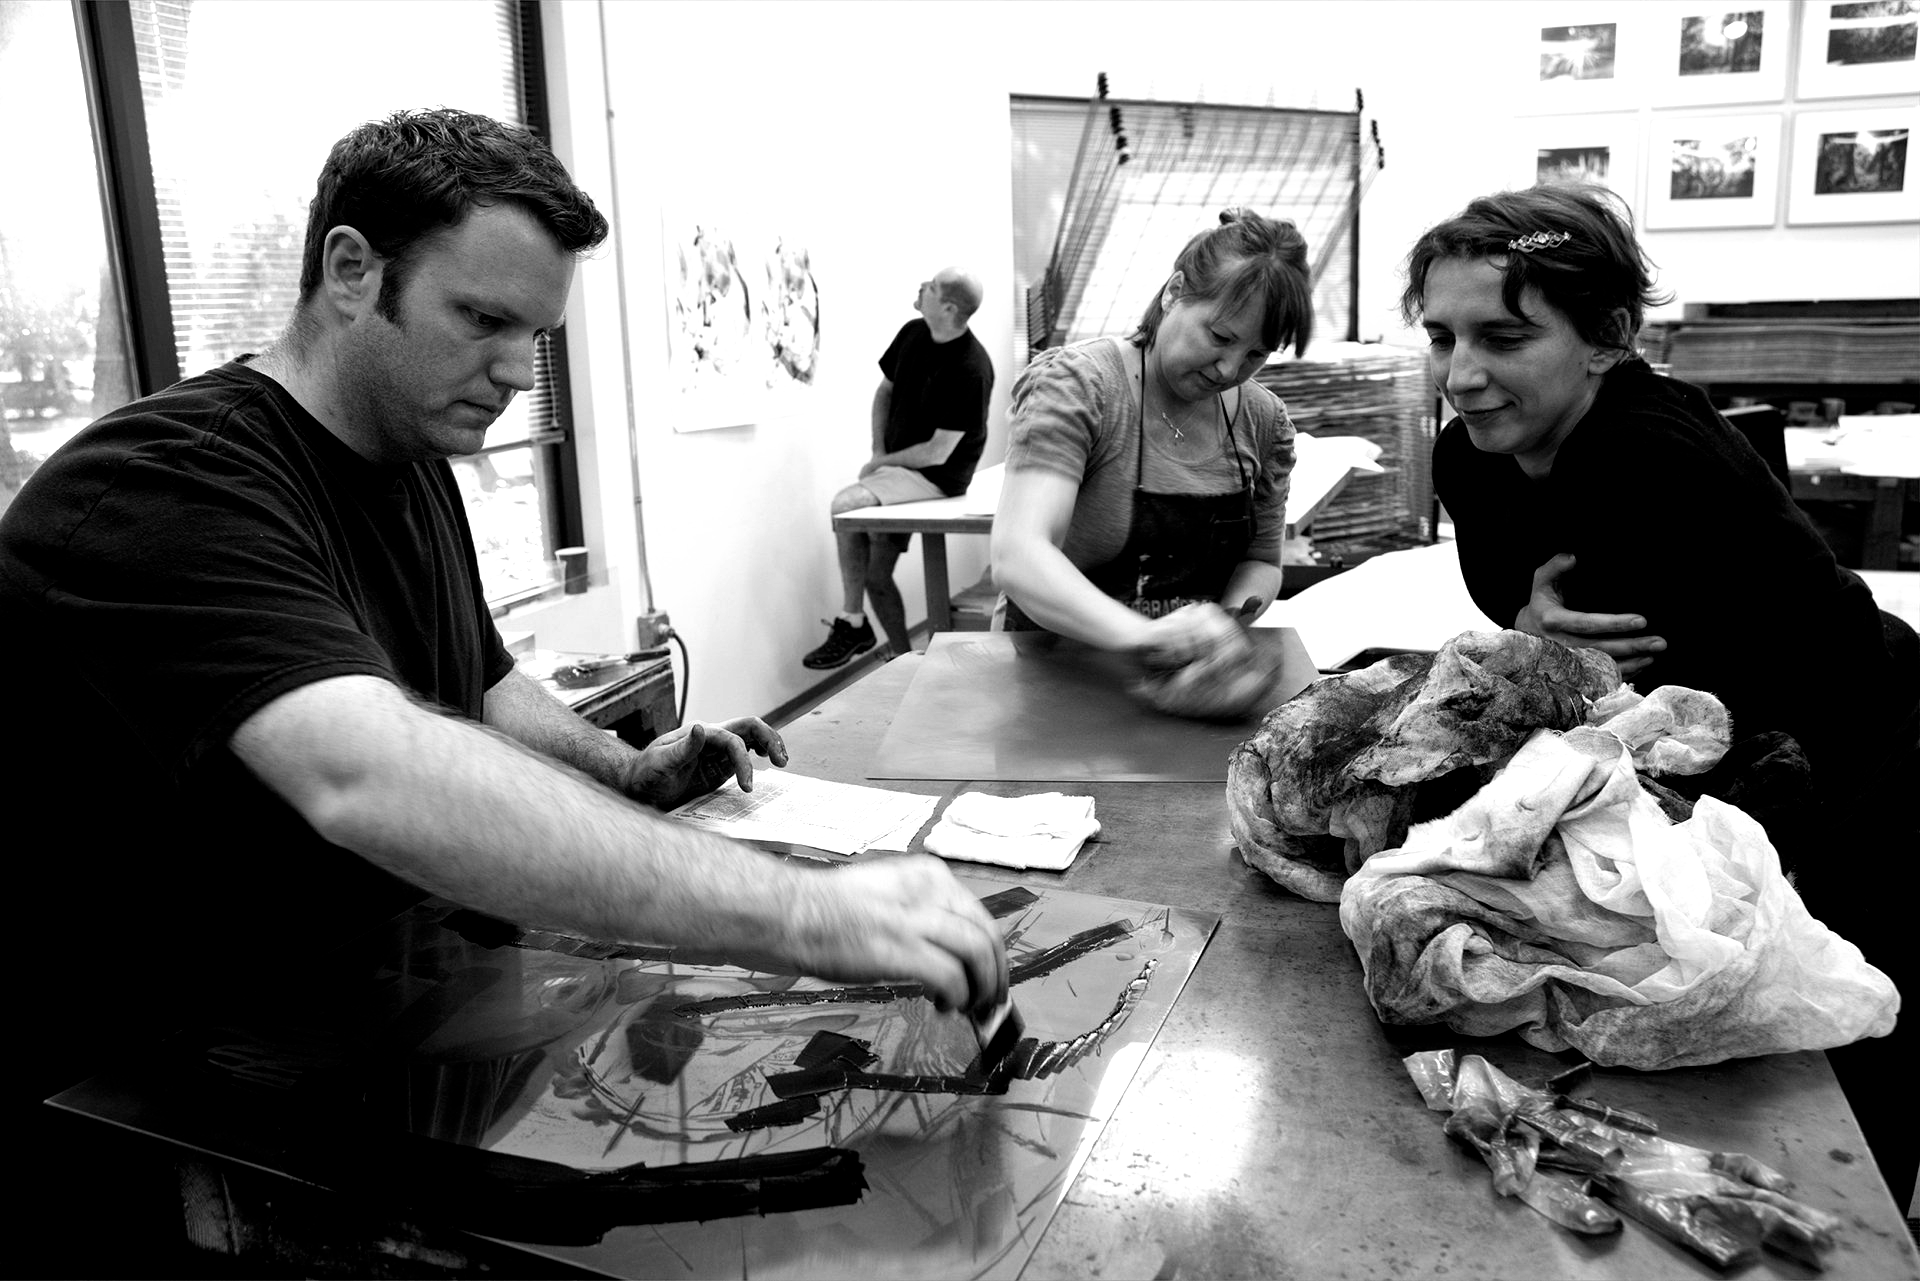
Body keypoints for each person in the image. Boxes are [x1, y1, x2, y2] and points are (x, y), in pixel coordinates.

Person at [0, 110, 1009, 1267]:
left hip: (368, 1039)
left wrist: (623, 768)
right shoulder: (159, 489)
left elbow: (471, 680)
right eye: (480, 320)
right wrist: (807, 910)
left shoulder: (405, 456)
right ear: (349, 271)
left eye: (534, 334)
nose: (513, 376)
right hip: (168, 1117)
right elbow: (365, 769)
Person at [1402, 181, 1918, 1204]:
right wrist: (1532, 630)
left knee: (1845, 1060)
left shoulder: (1649, 452)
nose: (1462, 376)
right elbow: (1534, 620)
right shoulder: (1472, 452)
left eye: (1503, 338)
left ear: (1608, 336)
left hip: (1863, 754)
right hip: (1738, 761)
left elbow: (1644, 710)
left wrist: (1536, 654)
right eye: (1442, 336)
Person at [989, 209, 1308, 692]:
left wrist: (1221, 630)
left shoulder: (1263, 421)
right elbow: (1019, 553)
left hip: (1187, 681)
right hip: (1056, 678)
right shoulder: (1081, 387)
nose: (1228, 369)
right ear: (1174, 292)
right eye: (1220, 337)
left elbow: (1261, 562)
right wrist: (1146, 638)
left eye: (1256, 354)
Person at [802, 268, 994, 668]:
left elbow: (938, 453)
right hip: (898, 470)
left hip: (937, 478)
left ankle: (852, 621)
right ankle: (905, 663)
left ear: (948, 306)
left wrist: (880, 464)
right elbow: (884, 392)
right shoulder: (913, 333)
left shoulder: (971, 368)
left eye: (932, 286)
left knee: (845, 504)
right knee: (875, 576)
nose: (922, 286)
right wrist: (878, 450)